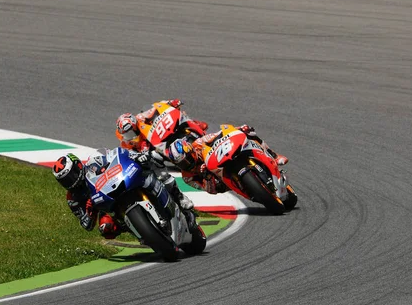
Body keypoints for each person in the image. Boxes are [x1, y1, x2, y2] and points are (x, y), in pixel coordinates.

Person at [51, 148, 192, 240]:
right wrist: (89, 211)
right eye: (64, 181)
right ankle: (143, 233)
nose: (70, 182)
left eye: (71, 175)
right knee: (105, 228)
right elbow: (86, 225)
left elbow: (116, 154)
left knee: (152, 163)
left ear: (78, 166)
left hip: (120, 183)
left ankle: (178, 197)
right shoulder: (73, 198)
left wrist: (135, 156)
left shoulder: (93, 163)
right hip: (107, 207)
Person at [166, 124, 288, 194]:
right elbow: (209, 191)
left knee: (248, 132)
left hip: (223, 157)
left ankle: (274, 156)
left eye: (186, 159)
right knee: (214, 186)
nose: (187, 164)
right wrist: (206, 177)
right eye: (182, 164)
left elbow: (219, 134)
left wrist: (237, 129)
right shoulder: (187, 177)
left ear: (190, 151)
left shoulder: (199, 143)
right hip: (220, 182)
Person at [115, 99, 208, 153]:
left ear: (135, 125)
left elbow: (155, 108)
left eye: (131, 132)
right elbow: (129, 154)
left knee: (181, 114)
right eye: (127, 134)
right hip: (150, 149)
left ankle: (195, 124)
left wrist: (171, 103)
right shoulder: (124, 141)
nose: (130, 136)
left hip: (156, 134)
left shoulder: (140, 118)